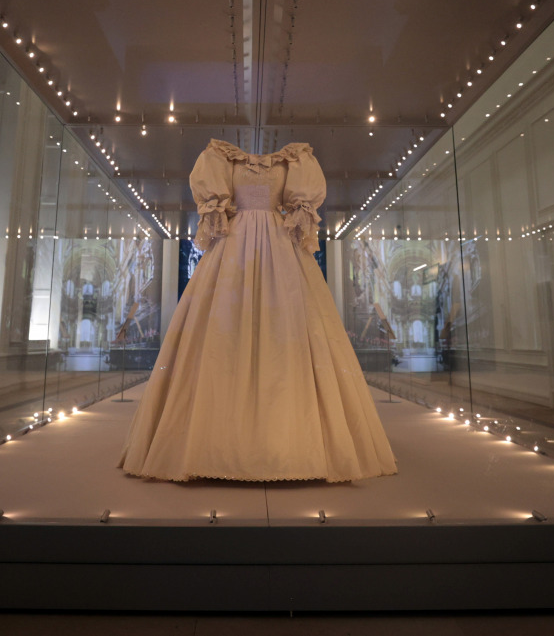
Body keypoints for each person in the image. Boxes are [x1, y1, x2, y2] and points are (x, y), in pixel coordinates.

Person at [118, 139, 397, 482]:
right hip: (232, 249)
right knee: (223, 331)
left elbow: (301, 209)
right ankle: (213, 444)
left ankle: (290, 444)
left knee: (286, 331)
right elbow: (215, 206)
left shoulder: (295, 160)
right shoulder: (220, 158)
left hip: (280, 249)